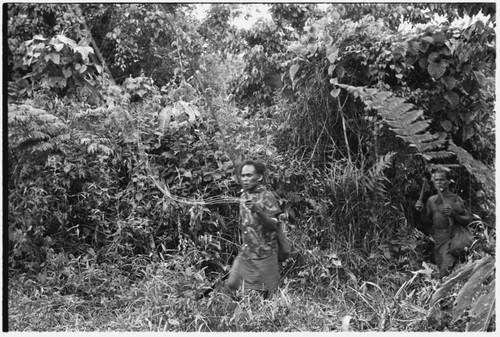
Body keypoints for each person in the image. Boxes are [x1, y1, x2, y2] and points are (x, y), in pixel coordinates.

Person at [225, 160, 282, 299]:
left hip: (265, 254)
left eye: (249, 175)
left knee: (265, 294)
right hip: (247, 252)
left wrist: (258, 211)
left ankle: (263, 317)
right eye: (243, 176)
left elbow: (274, 226)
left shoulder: (267, 197)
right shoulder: (243, 196)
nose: (245, 179)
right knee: (231, 284)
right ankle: (241, 314)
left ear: (260, 177)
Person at [415, 167, 471, 278]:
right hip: (438, 239)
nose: (439, 183)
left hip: (451, 237)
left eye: (442, 180)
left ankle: (442, 291)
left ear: (449, 181)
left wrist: (453, 214)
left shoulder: (455, 199)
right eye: (436, 180)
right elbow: (428, 222)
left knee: (445, 271)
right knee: (442, 266)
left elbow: (467, 220)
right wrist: (421, 212)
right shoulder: (431, 200)